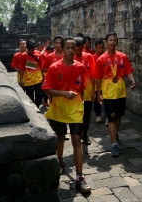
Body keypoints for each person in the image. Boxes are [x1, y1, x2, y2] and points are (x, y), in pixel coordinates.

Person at [42, 36, 91, 193]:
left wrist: (81, 103)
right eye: (68, 48)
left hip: (75, 109)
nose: (71, 50)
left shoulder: (80, 67)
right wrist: (63, 93)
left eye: (73, 47)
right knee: (60, 139)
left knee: (77, 140)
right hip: (58, 109)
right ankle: (60, 161)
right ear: (62, 49)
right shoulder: (54, 68)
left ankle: (79, 176)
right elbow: (46, 89)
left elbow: (81, 88)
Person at [94, 32, 137, 157]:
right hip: (108, 92)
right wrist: (98, 94)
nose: (112, 42)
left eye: (114, 40)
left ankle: (115, 133)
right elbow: (97, 78)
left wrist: (133, 81)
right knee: (111, 117)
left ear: (117, 42)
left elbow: (128, 70)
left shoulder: (122, 56)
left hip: (120, 90)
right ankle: (114, 144)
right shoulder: (101, 59)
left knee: (118, 117)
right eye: (110, 40)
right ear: (106, 42)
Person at [73, 37, 96, 145]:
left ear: (83, 48)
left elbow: (93, 75)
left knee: (87, 114)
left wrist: (93, 91)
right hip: (74, 91)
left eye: (80, 50)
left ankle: (85, 134)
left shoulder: (89, 57)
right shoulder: (69, 57)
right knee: (75, 113)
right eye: (75, 50)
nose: (78, 52)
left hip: (87, 90)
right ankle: (77, 133)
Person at [19, 39, 44, 108]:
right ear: (27, 48)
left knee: (39, 95)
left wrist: (43, 76)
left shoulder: (38, 53)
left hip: (38, 78)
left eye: (32, 49)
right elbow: (22, 69)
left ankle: (37, 106)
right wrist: (21, 80)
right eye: (29, 49)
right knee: (30, 97)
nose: (31, 51)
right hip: (28, 80)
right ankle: (34, 108)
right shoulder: (23, 56)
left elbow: (41, 66)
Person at [92, 39, 105, 123]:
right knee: (97, 99)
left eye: (102, 48)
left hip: (105, 82)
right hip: (96, 81)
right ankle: (98, 115)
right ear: (95, 47)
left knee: (106, 99)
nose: (101, 50)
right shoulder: (93, 57)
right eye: (99, 48)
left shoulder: (105, 56)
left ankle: (108, 116)